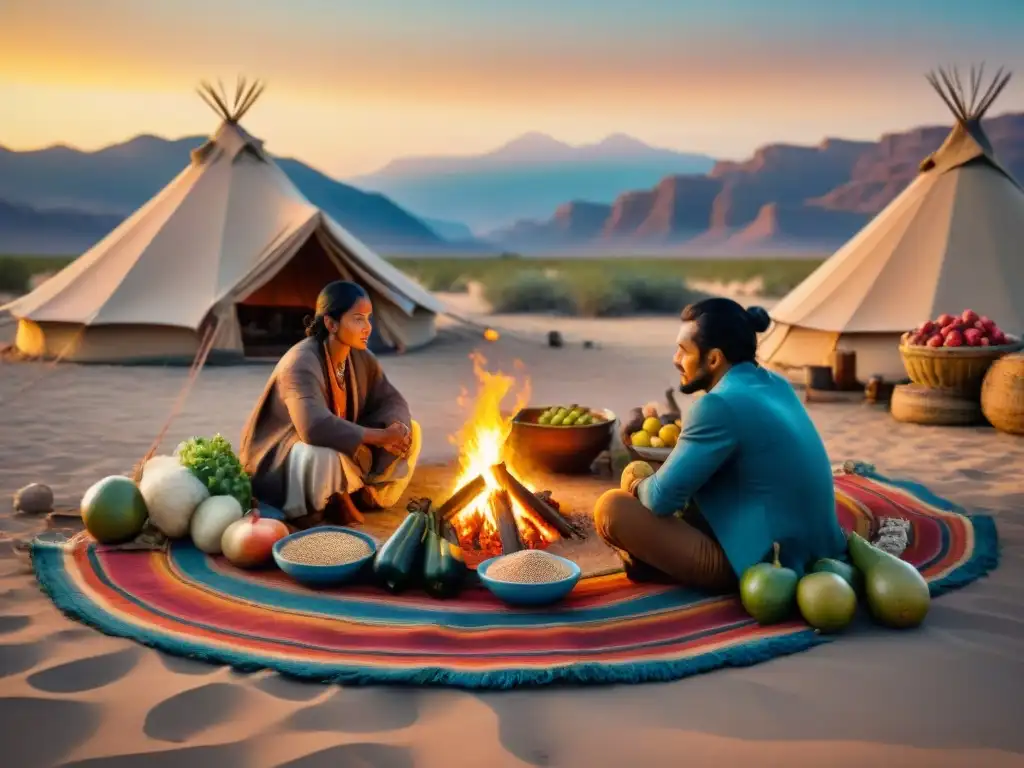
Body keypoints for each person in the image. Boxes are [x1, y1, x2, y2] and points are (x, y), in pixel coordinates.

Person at [594, 298, 847, 592]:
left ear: (713, 359)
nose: (676, 359)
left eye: (684, 350)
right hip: (819, 552)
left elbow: (660, 499)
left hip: (766, 570)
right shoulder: (776, 384)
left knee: (612, 508)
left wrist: (636, 483)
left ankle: (657, 565)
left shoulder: (717, 406)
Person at [239, 281, 421, 527]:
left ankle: (367, 494)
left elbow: (389, 397)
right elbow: (313, 428)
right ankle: (315, 506)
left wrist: (397, 427)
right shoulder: (300, 362)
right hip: (285, 457)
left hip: (342, 444)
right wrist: (379, 436)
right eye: (358, 319)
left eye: (368, 319)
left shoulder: (361, 356)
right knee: (323, 455)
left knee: (414, 431)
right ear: (331, 323)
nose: (367, 327)